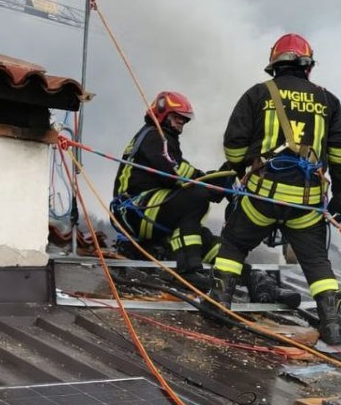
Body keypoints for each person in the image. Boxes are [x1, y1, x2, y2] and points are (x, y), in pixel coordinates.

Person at [209, 34, 341, 344]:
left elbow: (234, 146)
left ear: (274, 66)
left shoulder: (258, 94)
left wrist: (237, 171)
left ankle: (219, 305)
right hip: (306, 204)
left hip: (261, 198)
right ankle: (333, 327)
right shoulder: (328, 100)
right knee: (316, 262)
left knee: (233, 244)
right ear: (308, 67)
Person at [111, 90, 298, 306]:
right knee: (196, 196)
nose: (181, 124)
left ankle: (255, 280)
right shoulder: (154, 136)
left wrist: (216, 181)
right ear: (161, 113)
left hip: (152, 210)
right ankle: (190, 269)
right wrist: (211, 184)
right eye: (176, 118)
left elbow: (180, 177)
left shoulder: (164, 138)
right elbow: (176, 173)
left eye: (184, 120)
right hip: (132, 210)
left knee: (207, 241)